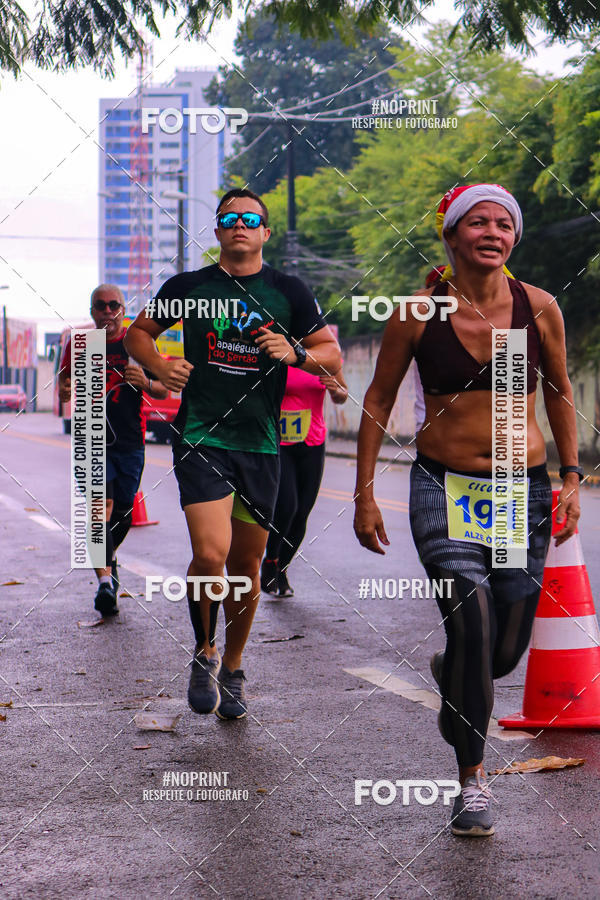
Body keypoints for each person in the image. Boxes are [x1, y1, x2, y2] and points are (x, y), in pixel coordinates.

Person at [353, 183, 581, 837]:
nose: (491, 231)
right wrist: (365, 492)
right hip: (444, 488)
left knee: (501, 653)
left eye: (502, 223)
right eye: (476, 222)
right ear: (451, 237)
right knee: (475, 623)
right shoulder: (419, 312)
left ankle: (454, 673)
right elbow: (377, 398)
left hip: (519, 491)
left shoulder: (536, 309)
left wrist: (570, 475)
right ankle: (473, 783)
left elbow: (560, 392)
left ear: (513, 239)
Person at [124, 188, 341, 720]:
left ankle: (235, 665)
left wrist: (295, 353)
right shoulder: (190, 287)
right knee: (211, 552)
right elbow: (137, 334)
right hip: (202, 436)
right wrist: (159, 368)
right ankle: (203, 650)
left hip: (261, 444)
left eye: (250, 219)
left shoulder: (288, 290)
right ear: (217, 231)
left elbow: (330, 353)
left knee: (246, 566)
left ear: (265, 232)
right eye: (229, 219)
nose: (240, 225)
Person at [58, 284, 168, 616]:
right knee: (97, 510)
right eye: (100, 306)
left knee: (122, 512)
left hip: (131, 441)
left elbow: (165, 389)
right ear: (92, 311)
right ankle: (105, 583)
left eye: (114, 305)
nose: (107, 311)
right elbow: (64, 385)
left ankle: (109, 560)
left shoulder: (137, 343)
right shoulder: (79, 344)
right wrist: (65, 390)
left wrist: (146, 383)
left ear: (123, 309)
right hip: (91, 438)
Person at [260, 364, 348, 597]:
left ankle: (282, 569)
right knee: (287, 507)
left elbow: (342, 395)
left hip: (313, 443)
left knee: (302, 513)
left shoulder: (326, 356)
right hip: (281, 443)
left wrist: (336, 391)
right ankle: (270, 560)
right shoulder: (279, 353)